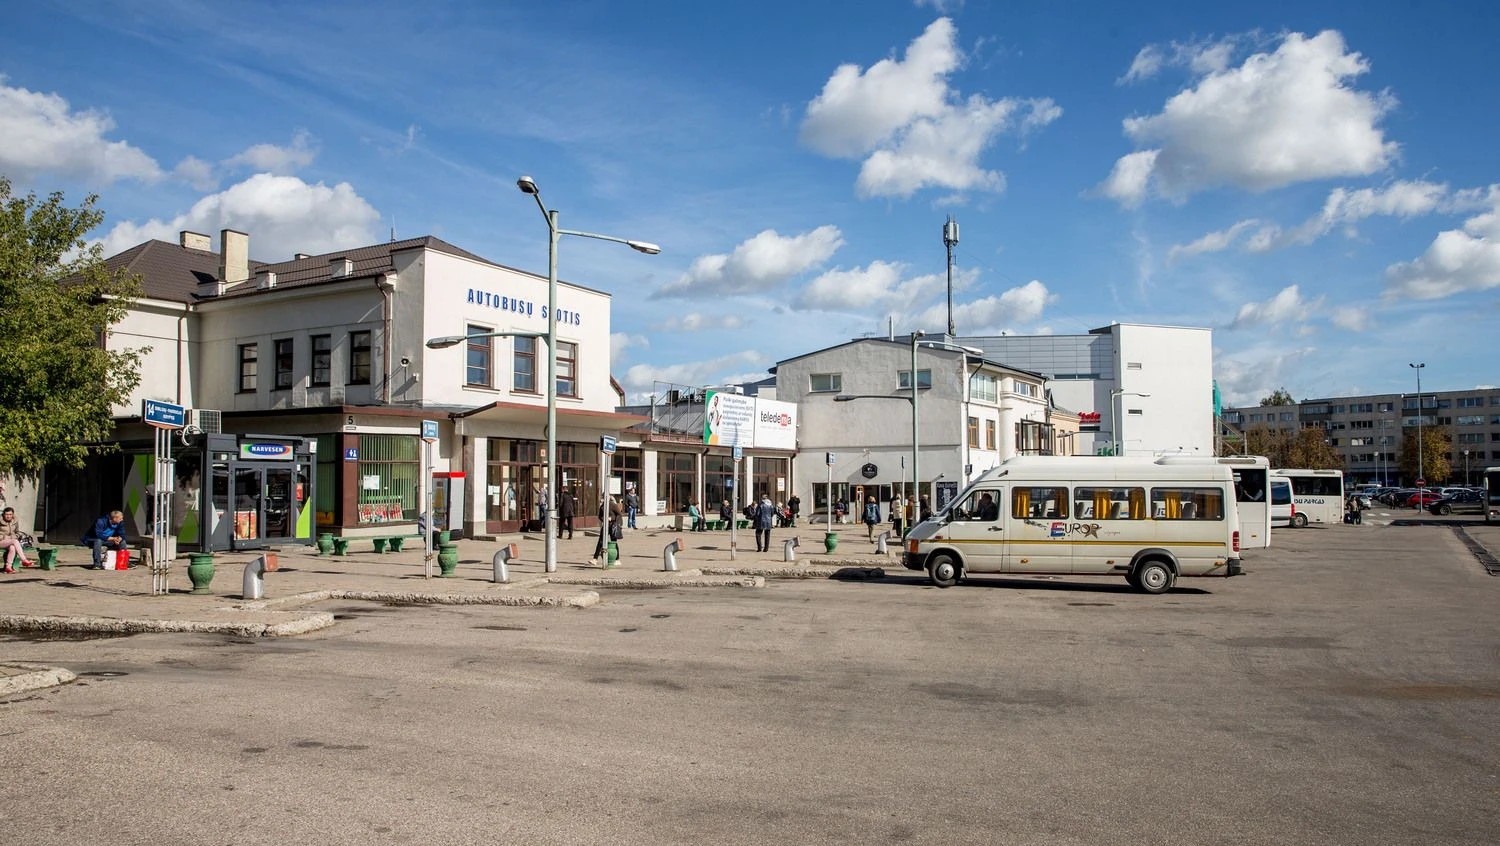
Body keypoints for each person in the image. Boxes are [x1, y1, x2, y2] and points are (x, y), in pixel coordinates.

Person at [0, 507, 33, 573]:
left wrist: (15, 536)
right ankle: (24, 560)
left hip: (10, 541)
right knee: (14, 541)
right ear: (3, 515)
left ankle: (8, 567)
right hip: (1, 541)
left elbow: (17, 532)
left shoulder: (15, 521)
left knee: (12, 547)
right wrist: (4, 537)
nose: (8, 516)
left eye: (10, 514)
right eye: (7, 514)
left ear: (12, 515)